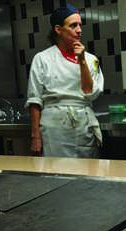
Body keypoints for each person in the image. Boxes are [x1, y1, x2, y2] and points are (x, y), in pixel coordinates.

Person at [25, 4, 104, 158]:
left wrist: (81, 60)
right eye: (73, 25)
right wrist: (35, 137)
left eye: (80, 25)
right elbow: (35, 101)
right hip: (54, 128)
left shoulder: (90, 59)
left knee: (88, 174)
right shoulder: (42, 59)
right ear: (58, 29)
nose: (79, 30)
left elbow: (90, 92)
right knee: (58, 175)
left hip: (84, 126)